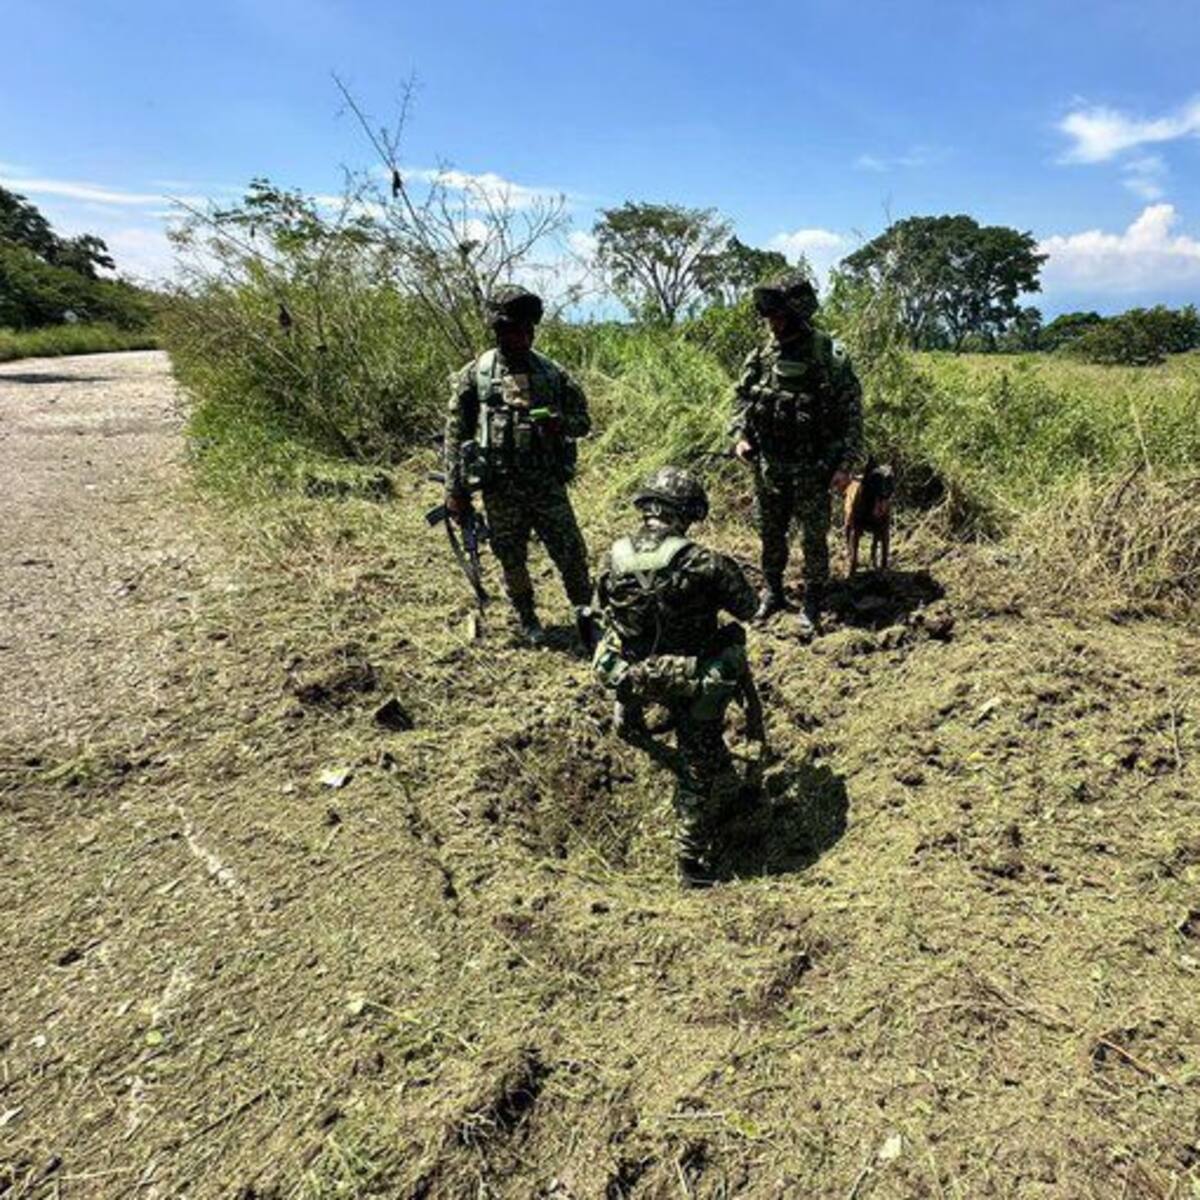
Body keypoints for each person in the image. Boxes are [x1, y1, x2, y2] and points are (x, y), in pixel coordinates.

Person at [592, 467, 759, 886]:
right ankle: (690, 861)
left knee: (620, 646)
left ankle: (627, 717)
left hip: (628, 671)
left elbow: (603, 609)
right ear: (685, 513)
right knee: (699, 766)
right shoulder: (705, 562)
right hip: (689, 678)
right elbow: (748, 608)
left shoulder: (610, 558)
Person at [444, 285, 593, 646]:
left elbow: (583, 422)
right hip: (500, 487)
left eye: (528, 330)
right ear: (496, 330)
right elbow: (454, 432)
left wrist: (560, 424)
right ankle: (528, 619)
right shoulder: (476, 376)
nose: (522, 337)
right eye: (513, 330)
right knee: (511, 558)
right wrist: (454, 490)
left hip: (546, 484)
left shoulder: (552, 373)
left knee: (571, 553)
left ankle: (586, 615)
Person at [730, 271, 864, 638]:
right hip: (770, 466)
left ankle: (813, 598)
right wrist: (740, 436)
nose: (772, 324)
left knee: (813, 537)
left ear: (798, 314)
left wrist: (845, 466)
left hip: (814, 467)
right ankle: (772, 590)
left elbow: (852, 415)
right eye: (769, 317)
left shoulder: (829, 356)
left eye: (778, 316)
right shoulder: (761, 355)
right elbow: (742, 400)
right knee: (771, 534)